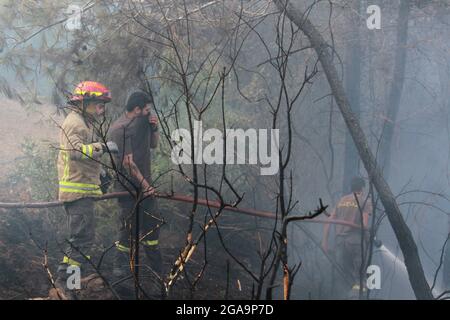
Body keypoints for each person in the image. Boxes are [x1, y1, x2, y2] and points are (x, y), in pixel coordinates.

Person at [55, 81, 118, 299]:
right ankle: (67, 285)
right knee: (81, 241)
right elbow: (74, 152)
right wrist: (102, 147)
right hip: (77, 194)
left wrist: (99, 173)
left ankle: (68, 283)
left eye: (103, 105)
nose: (101, 109)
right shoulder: (76, 123)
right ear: (84, 102)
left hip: (82, 192)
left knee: (80, 240)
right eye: (98, 104)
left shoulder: (83, 122)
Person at [109, 91, 161, 298]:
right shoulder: (119, 129)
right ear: (137, 108)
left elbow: (154, 145)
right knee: (127, 234)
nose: (149, 112)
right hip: (128, 190)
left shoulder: (143, 123)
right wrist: (146, 187)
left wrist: (154, 127)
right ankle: (119, 279)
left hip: (145, 189)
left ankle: (158, 279)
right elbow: (128, 163)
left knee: (152, 234)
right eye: (147, 109)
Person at [322, 177, 373, 294]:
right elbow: (364, 225)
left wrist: (324, 242)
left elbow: (328, 222)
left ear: (351, 187)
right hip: (356, 242)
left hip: (340, 242)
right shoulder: (365, 201)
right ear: (362, 188)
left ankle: (345, 295)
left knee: (344, 276)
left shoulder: (342, 200)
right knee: (360, 279)